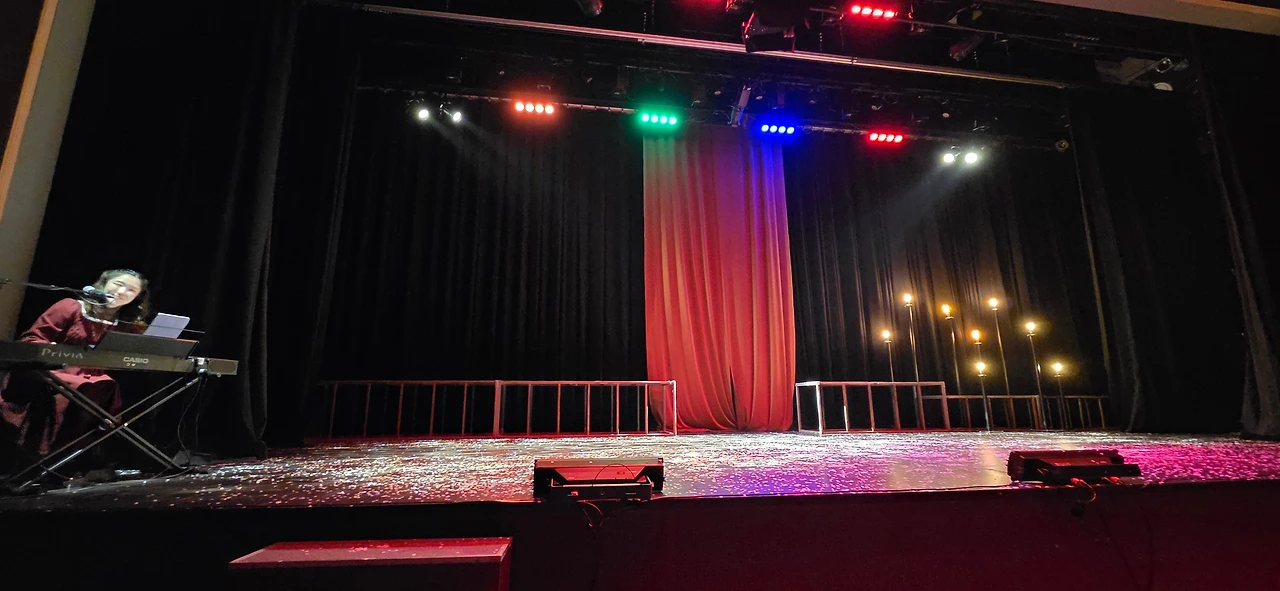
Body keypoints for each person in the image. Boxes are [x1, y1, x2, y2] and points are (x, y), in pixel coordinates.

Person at [0, 269, 153, 458]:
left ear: (137, 298)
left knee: (108, 386)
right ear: (104, 283)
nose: (122, 292)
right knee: (76, 387)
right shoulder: (71, 307)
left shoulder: (128, 325)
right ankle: (40, 453)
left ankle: (75, 457)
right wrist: (53, 350)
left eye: (131, 290)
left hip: (95, 378)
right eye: (118, 284)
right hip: (55, 370)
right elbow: (31, 339)